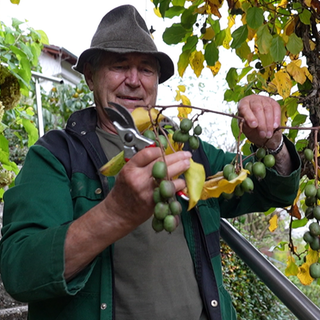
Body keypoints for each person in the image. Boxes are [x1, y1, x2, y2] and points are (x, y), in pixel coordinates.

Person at [0, 5, 301, 320]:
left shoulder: (188, 150)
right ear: (90, 75)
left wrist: (272, 142)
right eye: (119, 66)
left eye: (146, 69)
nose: (133, 80)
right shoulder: (56, 156)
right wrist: (113, 215)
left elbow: (272, 189)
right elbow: (20, 272)